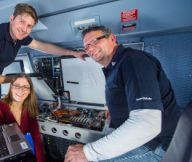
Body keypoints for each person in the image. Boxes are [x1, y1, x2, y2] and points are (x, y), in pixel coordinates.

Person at [64, 25, 181, 162]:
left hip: (155, 146)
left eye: (95, 41)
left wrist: (89, 153)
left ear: (112, 38)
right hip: (144, 141)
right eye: (86, 46)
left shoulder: (133, 61)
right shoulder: (115, 66)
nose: (90, 48)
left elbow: (147, 123)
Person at [0, 3, 85, 122]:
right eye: (22, 22)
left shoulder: (20, 37)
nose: (24, 29)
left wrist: (72, 52)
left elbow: (43, 47)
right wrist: (16, 79)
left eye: (30, 26)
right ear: (12, 18)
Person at [0, 74, 44, 162]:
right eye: (17, 86)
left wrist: (40, 160)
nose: (21, 90)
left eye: (25, 87)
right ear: (11, 88)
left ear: (30, 91)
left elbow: (36, 138)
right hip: (6, 156)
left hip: (24, 152)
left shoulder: (29, 108)